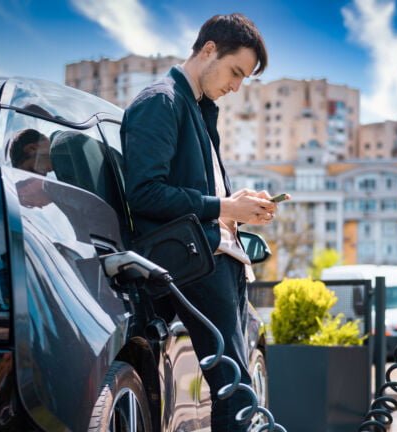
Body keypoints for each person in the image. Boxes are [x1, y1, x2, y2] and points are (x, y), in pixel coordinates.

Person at [121, 13, 273, 431]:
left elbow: (199, 191)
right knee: (236, 389)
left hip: (215, 260)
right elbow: (145, 193)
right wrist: (225, 207)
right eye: (235, 72)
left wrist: (239, 205)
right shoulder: (161, 102)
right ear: (208, 50)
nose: (236, 86)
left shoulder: (199, 108)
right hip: (193, 262)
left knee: (237, 386)